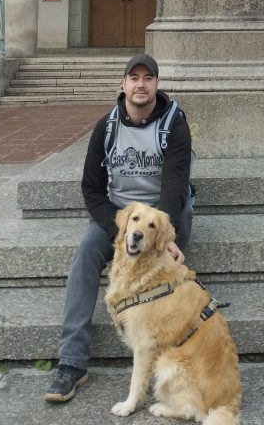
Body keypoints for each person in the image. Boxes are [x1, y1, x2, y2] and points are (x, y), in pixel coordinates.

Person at [44, 54, 193, 403]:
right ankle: (72, 362)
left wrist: (162, 238)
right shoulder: (106, 127)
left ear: (157, 84)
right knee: (85, 255)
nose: (141, 84)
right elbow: (92, 189)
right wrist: (119, 232)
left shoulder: (174, 124)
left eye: (148, 78)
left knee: (166, 258)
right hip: (120, 215)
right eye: (134, 78)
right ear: (123, 84)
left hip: (163, 214)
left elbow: (175, 185)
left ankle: (167, 347)